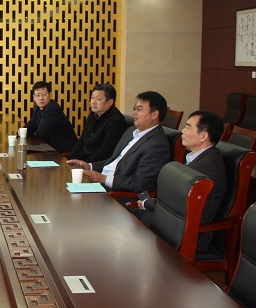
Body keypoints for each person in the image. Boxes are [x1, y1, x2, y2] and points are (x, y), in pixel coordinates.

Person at [138, 111, 227, 250]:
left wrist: (146, 203)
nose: (183, 131)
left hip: (186, 233)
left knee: (127, 219)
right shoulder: (202, 157)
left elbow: (176, 202)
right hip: (174, 221)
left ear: (203, 136)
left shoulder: (207, 166)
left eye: (188, 127)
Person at [67, 91, 170, 194]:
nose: (134, 113)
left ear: (154, 114)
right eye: (135, 108)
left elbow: (141, 183)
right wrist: (89, 166)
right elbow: (114, 161)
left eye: (139, 109)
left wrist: (103, 179)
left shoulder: (157, 145)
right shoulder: (131, 131)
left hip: (115, 193)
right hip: (100, 184)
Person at [66, 83, 127, 162]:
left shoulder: (116, 121)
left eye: (98, 99)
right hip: (82, 161)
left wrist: (85, 164)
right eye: (92, 98)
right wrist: (70, 160)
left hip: (96, 164)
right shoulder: (93, 115)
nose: (93, 102)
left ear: (110, 102)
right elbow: (81, 141)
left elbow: (105, 152)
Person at [22, 80, 77, 153]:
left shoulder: (53, 108)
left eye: (44, 94)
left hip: (65, 150)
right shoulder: (37, 107)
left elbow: (42, 133)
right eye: (38, 95)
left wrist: (30, 132)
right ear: (34, 97)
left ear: (50, 95)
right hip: (51, 148)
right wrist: (22, 131)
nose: (41, 98)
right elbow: (32, 123)